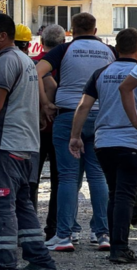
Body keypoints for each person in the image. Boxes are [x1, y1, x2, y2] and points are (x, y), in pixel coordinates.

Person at [0, 13, 56, 270]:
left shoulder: (3, 63)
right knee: (22, 206)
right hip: (24, 147)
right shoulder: (25, 60)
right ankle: (40, 260)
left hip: (2, 148)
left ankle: (4, 263)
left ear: (3, 36)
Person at [37, 13, 113, 252]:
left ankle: (64, 236)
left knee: (69, 177)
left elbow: (37, 71)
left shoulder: (64, 50)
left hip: (69, 114)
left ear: (71, 30)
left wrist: (45, 103)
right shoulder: (109, 51)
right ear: (95, 28)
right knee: (98, 176)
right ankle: (102, 234)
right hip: (100, 116)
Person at [69, 28, 137, 263]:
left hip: (105, 141)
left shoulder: (102, 73)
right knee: (125, 194)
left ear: (116, 48)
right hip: (131, 140)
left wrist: (75, 136)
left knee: (116, 192)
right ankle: (119, 249)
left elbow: (83, 107)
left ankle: (116, 244)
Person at [30, 24, 66, 241]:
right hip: (61, 127)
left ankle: (29, 225)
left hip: (36, 127)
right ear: (62, 43)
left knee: (30, 179)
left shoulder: (33, 62)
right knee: (60, 181)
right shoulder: (66, 62)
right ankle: (54, 228)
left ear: (41, 41)